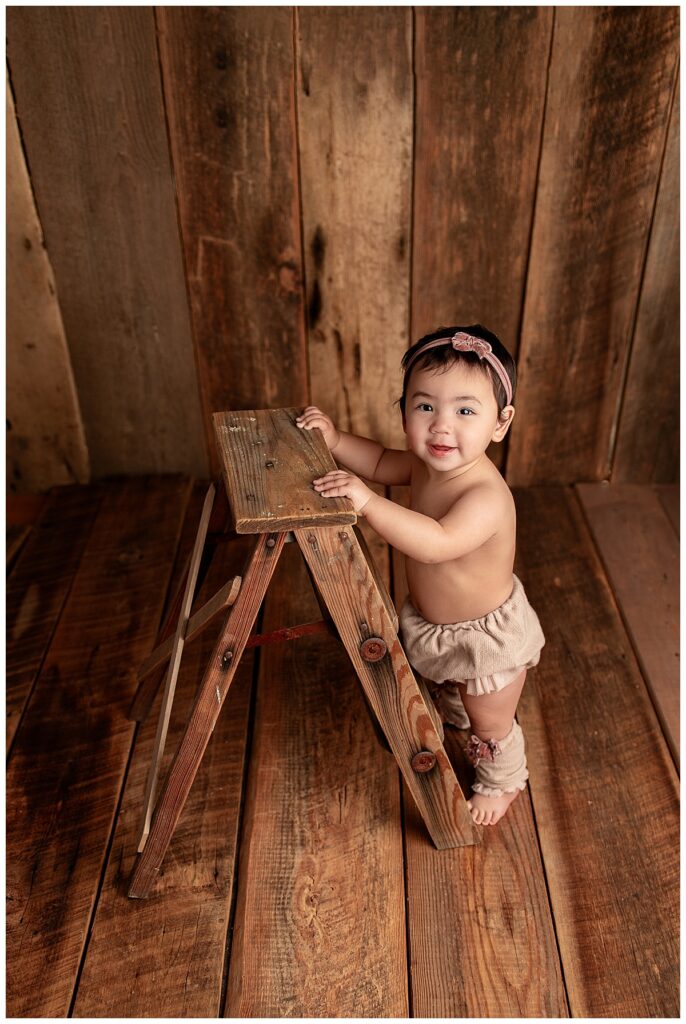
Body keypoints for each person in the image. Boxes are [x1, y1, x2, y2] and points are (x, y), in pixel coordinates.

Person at [296, 325, 544, 826]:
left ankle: (502, 780)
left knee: (490, 719)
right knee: (453, 690)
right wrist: (337, 440)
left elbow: (435, 543)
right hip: (439, 624)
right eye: (425, 406)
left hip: (485, 635)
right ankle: (455, 711)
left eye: (465, 411)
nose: (441, 427)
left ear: (501, 423)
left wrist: (365, 501)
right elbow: (385, 461)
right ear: (404, 407)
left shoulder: (484, 497)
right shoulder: (428, 465)